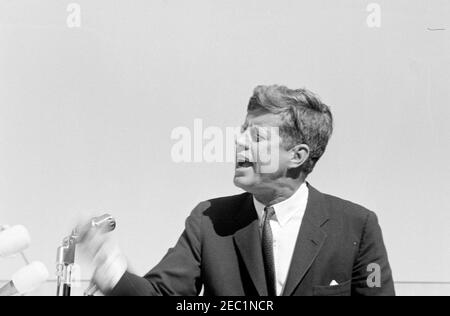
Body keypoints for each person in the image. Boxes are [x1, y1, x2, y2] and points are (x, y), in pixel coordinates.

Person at [80, 85, 395, 296]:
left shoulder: (357, 226)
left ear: (297, 156)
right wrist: (113, 273)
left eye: (256, 136)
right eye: (243, 130)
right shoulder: (209, 220)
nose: (239, 141)